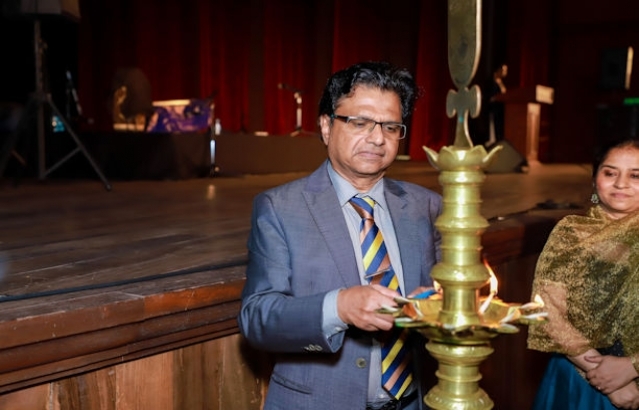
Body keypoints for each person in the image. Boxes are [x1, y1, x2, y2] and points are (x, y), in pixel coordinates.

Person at [238, 61, 442, 410]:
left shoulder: (426, 206)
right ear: (326, 126)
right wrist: (338, 308)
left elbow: (449, 295)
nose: (377, 138)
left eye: (391, 126)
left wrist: (439, 304)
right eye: (360, 122)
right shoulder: (280, 208)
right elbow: (257, 319)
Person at [527, 137, 639, 409]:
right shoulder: (571, 233)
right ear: (594, 179)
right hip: (581, 382)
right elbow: (547, 311)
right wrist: (605, 377)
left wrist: (630, 367)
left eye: (635, 175)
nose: (621, 183)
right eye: (610, 173)